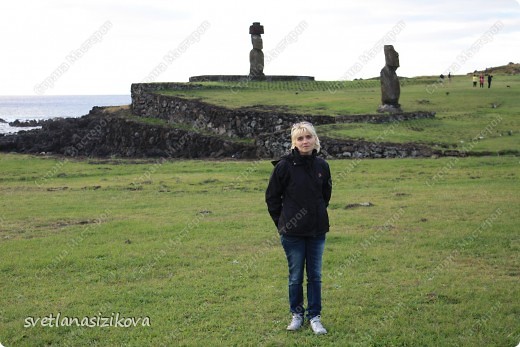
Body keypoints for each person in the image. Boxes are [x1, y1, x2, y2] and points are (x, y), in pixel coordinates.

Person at [265, 121, 332, 335]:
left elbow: (325, 195)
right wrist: (283, 223)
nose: (305, 141)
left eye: (308, 137)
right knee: (295, 276)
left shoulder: (322, 165)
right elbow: (272, 198)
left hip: (317, 231)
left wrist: (317, 214)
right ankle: (297, 314)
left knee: (315, 276)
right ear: (294, 142)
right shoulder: (283, 167)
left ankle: (315, 317)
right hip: (292, 233)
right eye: (300, 138)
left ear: (315, 140)